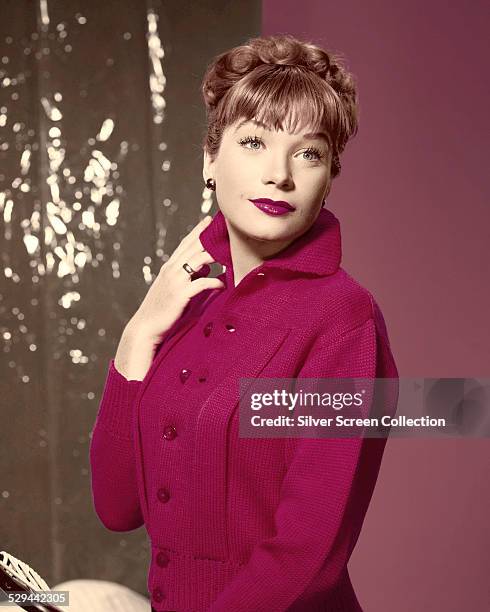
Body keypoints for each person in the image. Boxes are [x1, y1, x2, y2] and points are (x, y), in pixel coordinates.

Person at [89, 34, 399, 612]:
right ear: (210, 158)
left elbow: (308, 555)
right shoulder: (187, 302)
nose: (279, 174)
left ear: (329, 175)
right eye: (254, 141)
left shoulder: (345, 321)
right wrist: (138, 337)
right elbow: (117, 507)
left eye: (308, 152)